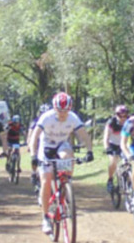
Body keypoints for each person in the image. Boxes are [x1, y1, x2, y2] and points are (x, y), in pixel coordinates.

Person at [29, 92, 94, 234]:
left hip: (62, 145)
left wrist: (89, 151)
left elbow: (84, 135)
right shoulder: (47, 117)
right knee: (46, 181)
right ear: (54, 108)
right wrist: (33, 155)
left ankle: (66, 185)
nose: (63, 114)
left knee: (68, 157)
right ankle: (45, 218)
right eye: (60, 110)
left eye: (66, 111)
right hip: (46, 147)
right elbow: (35, 136)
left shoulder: (73, 118)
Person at [103, 104, 130, 194]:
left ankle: (128, 179)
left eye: (125, 115)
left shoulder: (130, 122)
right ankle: (110, 180)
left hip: (125, 145)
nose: (122, 118)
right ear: (116, 115)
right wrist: (107, 148)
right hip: (113, 145)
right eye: (120, 115)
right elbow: (106, 138)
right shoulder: (111, 123)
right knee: (113, 161)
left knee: (129, 161)